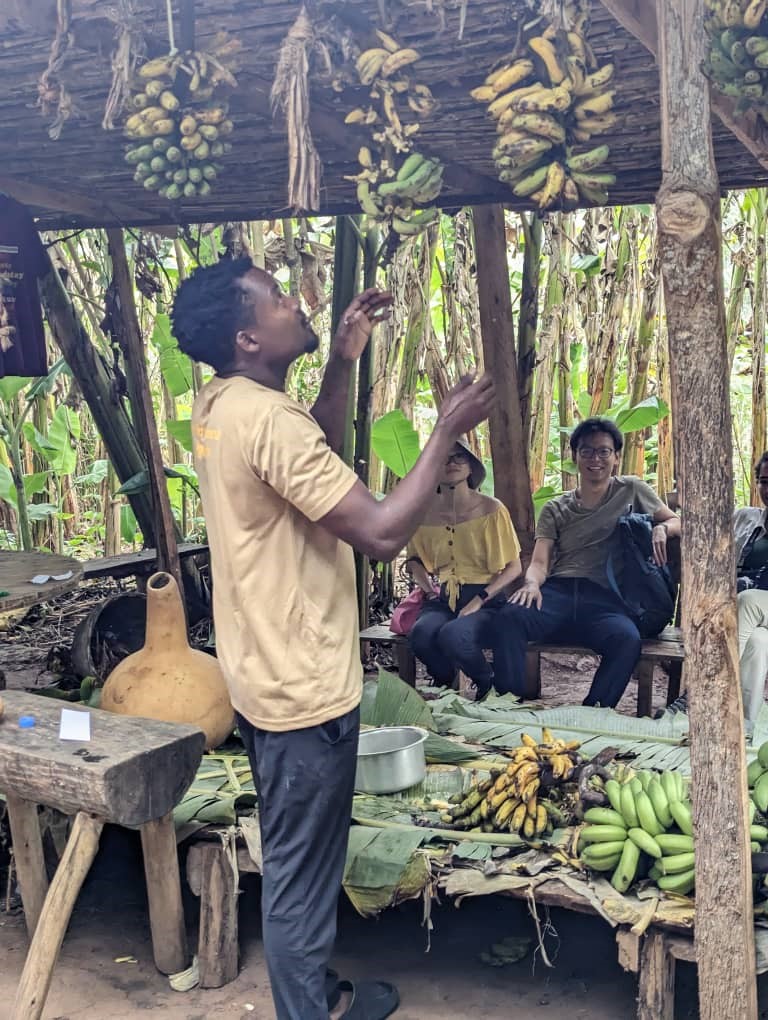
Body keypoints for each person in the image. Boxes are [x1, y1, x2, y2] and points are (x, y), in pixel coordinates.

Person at [171, 255, 495, 1020]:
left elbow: (304, 447)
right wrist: (446, 427)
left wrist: (342, 360)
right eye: (279, 298)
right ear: (249, 337)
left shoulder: (223, 403)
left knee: (301, 865)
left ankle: (316, 993)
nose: (295, 301)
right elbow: (382, 535)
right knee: (298, 876)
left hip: (263, 673)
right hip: (302, 689)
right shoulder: (264, 418)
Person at [494, 417, 681, 707]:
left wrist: (662, 528)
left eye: (604, 451)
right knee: (510, 617)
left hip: (605, 599)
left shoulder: (631, 489)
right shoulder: (556, 507)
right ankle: (508, 703)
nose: (596, 458)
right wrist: (531, 584)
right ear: (575, 457)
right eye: (587, 451)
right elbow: (540, 561)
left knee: (626, 639)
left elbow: (676, 520)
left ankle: (595, 710)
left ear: (617, 457)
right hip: (559, 594)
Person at [404, 437, 522, 696]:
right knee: (421, 635)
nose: (452, 463)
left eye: (460, 457)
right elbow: (414, 560)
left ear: (471, 466)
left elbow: (514, 567)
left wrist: (480, 599)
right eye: (444, 457)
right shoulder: (423, 514)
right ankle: (446, 682)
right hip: (443, 596)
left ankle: (485, 681)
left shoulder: (492, 509)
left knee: (454, 635)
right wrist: (429, 587)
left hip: (486, 599)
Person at [735, 452, 768, 724]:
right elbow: (698, 530)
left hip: (750, 605)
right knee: (758, 643)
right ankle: (745, 727)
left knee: (747, 600)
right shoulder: (746, 518)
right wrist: (664, 529)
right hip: (747, 619)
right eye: (764, 481)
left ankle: (703, 687)